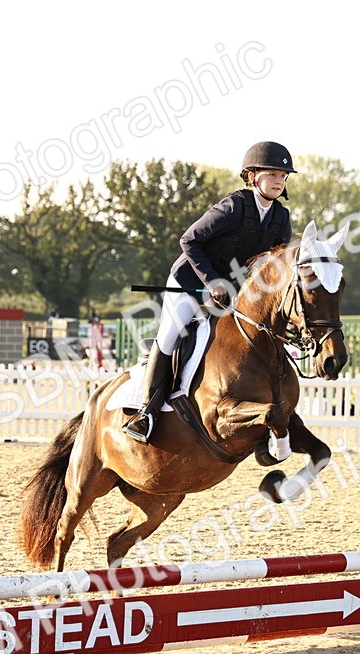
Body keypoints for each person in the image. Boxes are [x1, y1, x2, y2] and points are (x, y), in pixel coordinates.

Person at [122, 141, 297, 443]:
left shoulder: (281, 218)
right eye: (272, 174)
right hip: (192, 282)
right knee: (171, 335)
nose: (279, 181)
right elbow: (189, 240)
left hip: (236, 293)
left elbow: (273, 267)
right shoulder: (233, 207)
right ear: (252, 176)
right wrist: (213, 280)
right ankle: (145, 412)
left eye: (283, 176)